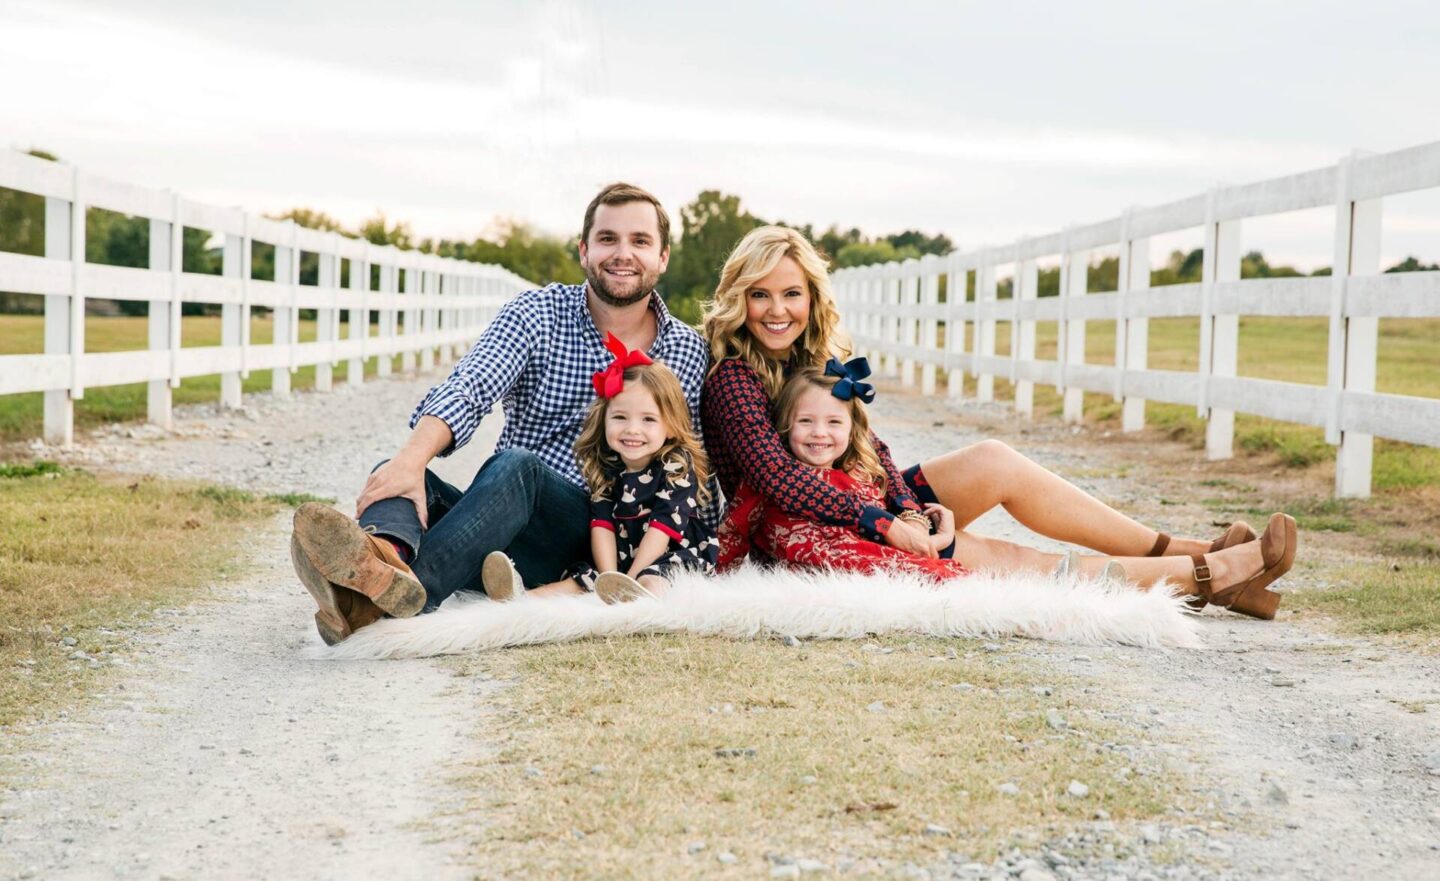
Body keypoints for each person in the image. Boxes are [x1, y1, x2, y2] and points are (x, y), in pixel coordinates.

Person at [700, 225, 1297, 619]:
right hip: (796, 531)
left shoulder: (817, 362)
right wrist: (887, 524)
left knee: (993, 461)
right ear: (738, 299)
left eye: (791, 294)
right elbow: (778, 478)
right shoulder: (734, 379)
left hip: (854, 503)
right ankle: (1206, 574)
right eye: (760, 295)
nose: (777, 310)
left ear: (813, 298)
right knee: (995, 555)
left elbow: (871, 450)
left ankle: (1194, 551)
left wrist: (909, 507)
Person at [290, 183, 714, 644]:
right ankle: (382, 559)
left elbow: (690, 462)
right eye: (608, 239)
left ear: (663, 256)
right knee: (395, 474)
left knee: (519, 467)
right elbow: (470, 387)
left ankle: (390, 597)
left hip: (604, 534)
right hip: (502, 530)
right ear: (584, 250)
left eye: (640, 241)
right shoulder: (538, 314)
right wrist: (409, 463)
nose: (622, 253)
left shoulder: (687, 351)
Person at [481, 336, 717, 605]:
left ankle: (639, 599)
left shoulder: (676, 465)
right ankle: (520, 599)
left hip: (672, 552)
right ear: (603, 419)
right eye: (620, 417)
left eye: (648, 419)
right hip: (623, 556)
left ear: (671, 426)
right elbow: (602, 525)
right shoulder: (607, 466)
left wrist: (633, 575)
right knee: (582, 579)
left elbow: (662, 528)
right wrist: (609, 576)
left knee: (654, 578)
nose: (632, 429)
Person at [718, 360, 968, 581]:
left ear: (852, 430)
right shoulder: (774, 480)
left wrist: (939, 540)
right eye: (805, 421)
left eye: (834, 422)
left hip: (867, 569)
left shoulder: (860, 475)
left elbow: (884, 547)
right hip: (809, 573)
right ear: (786, 425)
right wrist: (718, 576)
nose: (819, 432)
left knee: (944, 577)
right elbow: (735, 529)